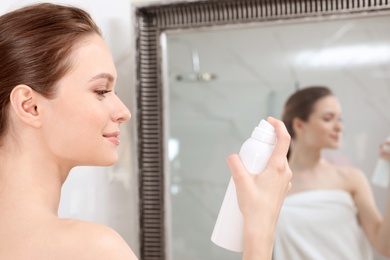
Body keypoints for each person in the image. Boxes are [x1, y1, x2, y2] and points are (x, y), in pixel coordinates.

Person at [0, 3, 292, 259]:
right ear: (30, 107)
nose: (123, 112)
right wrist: (260, 229)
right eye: (101, 90)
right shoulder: (89, 248)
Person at [274, 86, 390, 259]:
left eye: (340, 119)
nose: (339, 127)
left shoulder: (351, 178)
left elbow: (384, 246)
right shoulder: (274, 183)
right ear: (299, 125)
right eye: (328, 119)